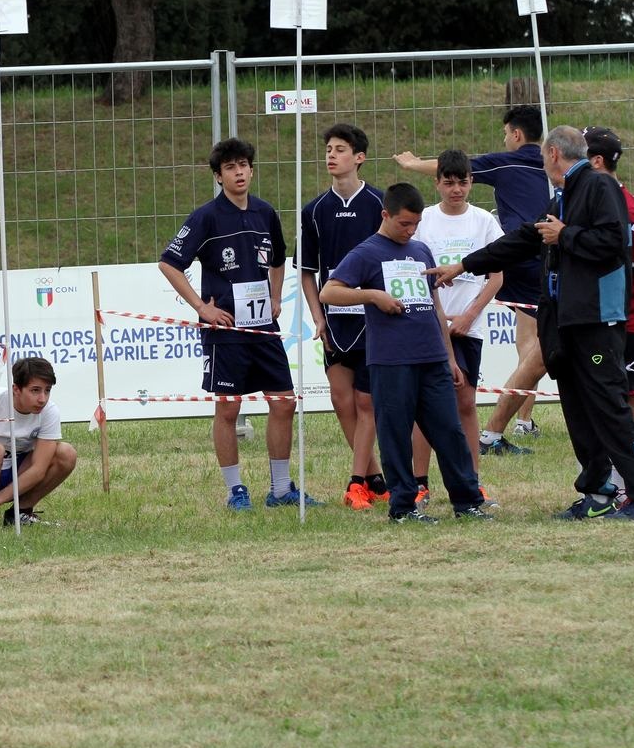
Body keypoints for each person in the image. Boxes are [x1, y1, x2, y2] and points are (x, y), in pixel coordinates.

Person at [431, 125, 634, 520]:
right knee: (577, 408)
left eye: (542, 157)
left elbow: (614, 244)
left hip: (596, 320)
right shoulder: (563, 196)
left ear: (554, 154)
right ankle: (597, 494)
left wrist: (566, 234)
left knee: (609, 406)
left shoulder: (599, 186)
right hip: (564, 322)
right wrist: (464, 265)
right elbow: (525, 239)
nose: (542, 164)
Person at [319, 184, 491, 524]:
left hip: (433, 358)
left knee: (449, 431)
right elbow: (329, 292)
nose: (411, 230)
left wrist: (450, 358)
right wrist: (372, 296)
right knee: (396, 435)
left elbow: (436, 307)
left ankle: (467, 501)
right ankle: (403, 507)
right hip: (391, 361)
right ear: (386, 215)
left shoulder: (421, 251)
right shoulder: (366, 253)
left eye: (416, 224)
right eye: (404, 224)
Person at [158, 138, 307, 510]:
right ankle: (236, 490)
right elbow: (169, 263)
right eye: (230, 167)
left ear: (251, 170)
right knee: (228, 409)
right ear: (218, 176)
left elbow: (278, 258)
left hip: (263, 326)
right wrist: (201, 307)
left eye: (243, 165)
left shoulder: (265, 212)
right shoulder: (206, 217)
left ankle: (281, 489)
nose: (238, 172)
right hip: (224, 329)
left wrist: (276, 297)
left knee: (284, 403)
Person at [396, 105, 548, 454]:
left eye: (505, 133)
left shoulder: (503, 166)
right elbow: (456, 171)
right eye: (449, 183)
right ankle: (521, 420)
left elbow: (455, 167)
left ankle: (501, 429)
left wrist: (412, 163)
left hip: (514, 257)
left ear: (516, 134)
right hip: (542, 258)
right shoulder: (551, 164)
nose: (456, 187)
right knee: (532, 343)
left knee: (530, 348)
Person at [296, 124, 384, 509]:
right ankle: (375, 477)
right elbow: (307, 272)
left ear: (359, 157)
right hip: (335, 321)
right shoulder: (314, 210)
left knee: (367, 404)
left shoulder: (379, 204)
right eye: (329, 149)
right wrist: (318, 317)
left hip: (372, 321)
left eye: (341, 149)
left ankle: (356, 483)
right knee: (341, 401)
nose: (332, 155)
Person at [411, 151, 502, 506]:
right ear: (436, 183)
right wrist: (434, 316)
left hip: (468, 329)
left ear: (471, 182)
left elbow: (496, 276)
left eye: (462, 182)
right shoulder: (423, 221)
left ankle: (472, 482)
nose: (456, 190)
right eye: (448, 183)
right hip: (427, 327)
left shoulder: (484, 222)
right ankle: (419, 483)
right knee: (424, 406)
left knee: (465, 401)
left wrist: (469, 315)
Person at [583, 127, 634, 501]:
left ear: (597, 161)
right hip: (608, 318)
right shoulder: (597, 199)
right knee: (613, 402)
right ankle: (617, 485)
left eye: (580, 157)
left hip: (627, 319)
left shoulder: (626, 207)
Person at [0, 356, 78, 525]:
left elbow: (38, 469)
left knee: (66, 453)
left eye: (47, 390)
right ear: (16, 389)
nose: (42, 399)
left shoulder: (50, 412)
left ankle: (20, 513)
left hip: (16, 472)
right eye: (35, 390)